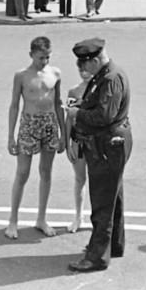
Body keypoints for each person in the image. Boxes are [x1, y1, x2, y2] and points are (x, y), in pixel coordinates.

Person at [66, 38, 132, 273]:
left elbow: (104, 115)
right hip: (110, 143)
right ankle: (113, 245)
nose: (83, 71)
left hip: (107, 145)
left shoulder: (110, 78)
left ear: (95, 60)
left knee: (102, 201)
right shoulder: (104, 74)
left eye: (85, 66)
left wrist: (77, 114)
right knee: (113, 197)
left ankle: (96, 257)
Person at [5, 36, 65, 240]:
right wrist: (10, 136)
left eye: (47, 57)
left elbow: (58, 104)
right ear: (31, 55)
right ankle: (13, 220)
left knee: (46, 172)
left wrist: (63, 134)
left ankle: (41, 218)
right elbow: (14, 105)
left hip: (49, 124)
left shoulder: (55, 73)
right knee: (22, 173)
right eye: (41, 57)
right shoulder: (21, 76)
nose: (44, 61)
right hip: (29, 123)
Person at [65, 60, 93, 233]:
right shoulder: (73, 91)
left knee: (99, 181)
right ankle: (78, 216)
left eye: (87, 69)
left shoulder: (100, 91)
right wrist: (67, 143)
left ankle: (100, 217)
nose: (84, 73)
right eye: (80, 69)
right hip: (78, 140)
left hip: (96, 142)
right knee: (80, 179)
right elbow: (69, 118)